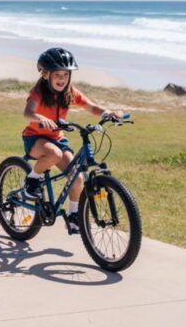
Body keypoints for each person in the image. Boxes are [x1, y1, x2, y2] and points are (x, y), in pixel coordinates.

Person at [21, 47, 123, 234]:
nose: (62, 79)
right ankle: (31, 181)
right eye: (57, 75)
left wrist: (108, 113)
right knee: (54, 153)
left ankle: (74, 216)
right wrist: (40, 118)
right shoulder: (38, 92)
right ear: (45, 75)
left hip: (56, 139)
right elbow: (27, 112)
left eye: (66, 75)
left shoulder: (70, 92)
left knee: (78, 177)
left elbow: (92, 108)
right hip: (34, 138)